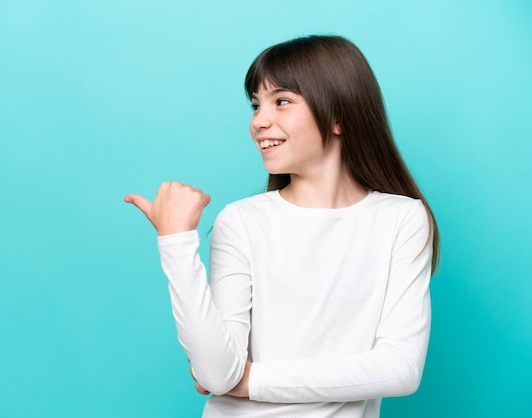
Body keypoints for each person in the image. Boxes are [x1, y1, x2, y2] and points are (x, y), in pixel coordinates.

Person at [124, 35, 440, 418]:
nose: (259, 121)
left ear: (339, 116)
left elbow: (400, 370)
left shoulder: (401, 219)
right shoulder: (242, 220)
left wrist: (251, 381)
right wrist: (175, 242)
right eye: (256, 105)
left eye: (282, 101)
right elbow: (216, 373)